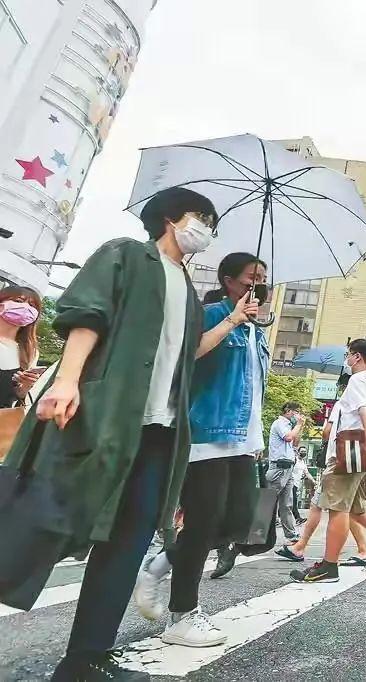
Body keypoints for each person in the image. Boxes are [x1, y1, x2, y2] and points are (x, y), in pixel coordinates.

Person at [2, 187, 255, 681]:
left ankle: (86, 659)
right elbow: (88, 316)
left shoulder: (187, 286)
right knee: (47, 519)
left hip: (160, 432)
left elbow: (188, 352)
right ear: (169, 218)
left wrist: (232, 319)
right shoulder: (126, 255)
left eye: (211, 224)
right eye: (200, 218)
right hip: (104, 418)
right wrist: (68, 379)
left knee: (129, 541)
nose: (206, 230)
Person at [132, 252, 267, 648]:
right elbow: (186, 355)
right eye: (251, 278)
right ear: (228, 280)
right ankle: (182, 616)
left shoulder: (257, 329)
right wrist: (232, 321)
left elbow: (253, 389)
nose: (258, 286)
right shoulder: (211, 315)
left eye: (262, 280)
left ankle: (159, 564)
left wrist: (256, 439)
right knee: (203, 524)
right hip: (206, 433)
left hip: (242, 439)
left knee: (240, 522)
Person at [291, 339, 366, 582]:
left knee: (338, 508)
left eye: (348, 354)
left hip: (349, 452)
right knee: (358, 509)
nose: (346, 359)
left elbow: (364, 409)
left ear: (357, 357)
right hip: (362, 455)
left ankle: (329, 566)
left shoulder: (358, 379)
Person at [277, 392, 366, 567]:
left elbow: (326, 433)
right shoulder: (365, 404)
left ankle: (307, 550)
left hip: (338, 462)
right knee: (345, 508)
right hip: (353, 462)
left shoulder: (342, 405)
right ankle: (365, 548)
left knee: (323, 506)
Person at [0, 286, 45, 411]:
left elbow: (17, 396)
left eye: (32, 305)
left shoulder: (30, 351)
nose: (26, 307)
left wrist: (25, 386)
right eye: (19, 301)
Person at [268, 402, 304, 542]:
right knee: (269, 501)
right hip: (279, 467)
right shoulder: (279, 423)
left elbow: (294, 442)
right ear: (288, 411)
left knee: (287, 504)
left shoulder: (289, 426)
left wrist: (299, 427)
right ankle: (256, 532)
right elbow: (288, 437)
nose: (298, 415)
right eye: (296, 412)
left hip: (288, 468)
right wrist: (298, 425)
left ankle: (291, 534)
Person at [292, 447, 315, 524]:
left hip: (296, 484)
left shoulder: (303, 463)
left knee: (289, 502)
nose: (303, 453)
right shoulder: (294, 460)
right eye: (302, 451)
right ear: (298, 452)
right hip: (291, 483)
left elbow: (307, 473)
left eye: (305, 451)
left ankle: (279, 517)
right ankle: (298, 518)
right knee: (293, 501)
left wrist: (313, 481)